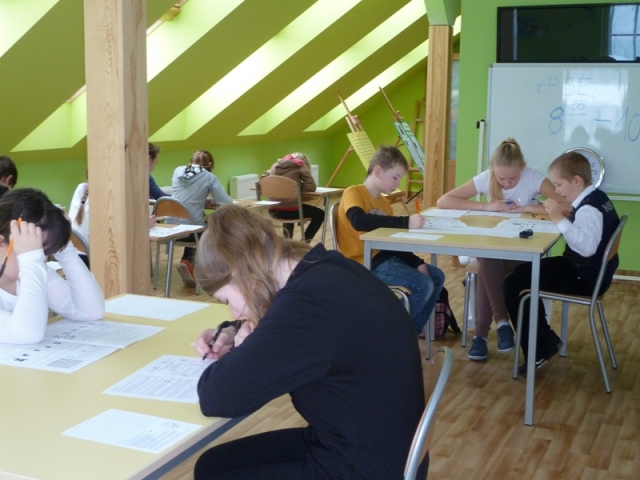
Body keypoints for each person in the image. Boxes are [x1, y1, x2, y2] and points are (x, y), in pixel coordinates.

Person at [193, 204, 427, 480]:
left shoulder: (306, 308)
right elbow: (286, 327)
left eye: (226, 300)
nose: (234, 313)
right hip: (372, 445)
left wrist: (240, 351)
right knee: (211, 465)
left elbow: (217, 397)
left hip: (363, 468)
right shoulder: (324, 268)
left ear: (242, 272)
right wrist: (232, 331)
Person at [437, 137, 569, 361]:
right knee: (488, 257)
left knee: (486, 263)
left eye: (513, 178)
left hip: (524, 254)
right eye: (501, 178)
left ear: (523, 167)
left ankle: (481, 335)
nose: (507, 184)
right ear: (492, 171)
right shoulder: (486, 178)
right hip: (495, 250)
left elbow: (566, 206)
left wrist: (526, 207)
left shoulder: (533, 177)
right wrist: (486, 206)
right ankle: (502, 324)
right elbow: (444, 201)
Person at [504, 151, 620, 374]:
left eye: (558, 184)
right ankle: (544, 340)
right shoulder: (597, 197)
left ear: (577, 181)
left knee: (514, 284)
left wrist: (558, 218)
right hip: (589, 271)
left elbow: (587, 248)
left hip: (586, 277)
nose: (556, 191)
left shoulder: (588, 209)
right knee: (521, 274)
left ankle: (539, 349)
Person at [336, 145, 445, 335]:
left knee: (436, 276)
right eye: (395, 177)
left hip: (384, 258)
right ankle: (394, 334)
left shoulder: (385, 204)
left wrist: (417, 262)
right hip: (361, 263)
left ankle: (407, 333)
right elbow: (359, 221)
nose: (397, 184)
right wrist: (405, 222)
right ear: (378, 171)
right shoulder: (354, 192)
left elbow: (391, 242)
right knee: (423, 285)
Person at [0, 188, 105, 344]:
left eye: (46, 252)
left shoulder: (33, 271)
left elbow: (90, 311)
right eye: (30, 249)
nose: (42, 260)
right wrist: (31, 260)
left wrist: (65, 249)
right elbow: (27, 333)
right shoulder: (32, 266)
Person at [172, 150, 232, 287]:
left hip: (170, 228)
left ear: (190, 162)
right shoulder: (209, 177)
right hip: (191, 230)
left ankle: (187, 262)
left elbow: (185, 196)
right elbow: (226, 202)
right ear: (210, 164)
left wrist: (202, 201)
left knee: (194, 223)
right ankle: (209, 269)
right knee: (211, 226)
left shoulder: (177, 171)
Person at [69, 176, 158, 269]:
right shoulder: (106, 198)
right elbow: (116, 236)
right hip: (93, 261)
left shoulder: (82, 189)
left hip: (74, 258)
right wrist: (143, 225)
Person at [260, 152, 325, 242]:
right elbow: (311, 187)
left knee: (289, 205)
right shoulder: (300, 166)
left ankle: (288, 242)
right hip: (291, 211)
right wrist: (295, 188)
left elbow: (262, 179)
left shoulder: (275, 165)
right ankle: (304, 243)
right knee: (320, 214)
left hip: (273, 210)